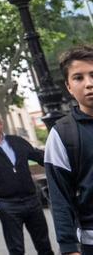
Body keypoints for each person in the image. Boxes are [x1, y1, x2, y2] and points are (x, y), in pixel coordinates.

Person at [0, 108, 54, 255]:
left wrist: (57, 155)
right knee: (16, 249)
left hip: (32, 201)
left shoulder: (17, 141)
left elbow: (39, 157)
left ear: (0, 123)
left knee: (44, 245)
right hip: (8, 205)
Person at [46, 45, 93, 255]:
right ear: (69, 87)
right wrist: (69, 248)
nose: (89, 84)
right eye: (78, 78)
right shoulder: (62, 134)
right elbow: (59, 197)